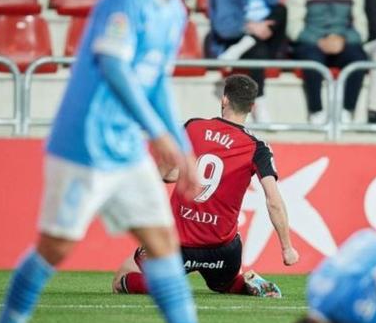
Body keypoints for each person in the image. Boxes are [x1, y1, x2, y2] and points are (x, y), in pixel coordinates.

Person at [0, 0, 255, 323]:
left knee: (164, 243)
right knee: (56, 246)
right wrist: (158, 133)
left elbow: (157, 82)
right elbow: (113, 66)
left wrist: (180, 146)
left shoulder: (175, 12)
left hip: (125, 151)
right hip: (84, 145)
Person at [112, 74, 300, 297]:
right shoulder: (257, 147)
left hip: (178, 245)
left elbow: (165, 171)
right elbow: (274, 200)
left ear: (224, 100)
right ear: (252, 106)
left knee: (121, 279)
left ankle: (167, 286)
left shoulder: (193, 127)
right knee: (225, 285)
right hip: (223, 251)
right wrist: (287, 248)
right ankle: (243, 284)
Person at [207, 0, 286, 123]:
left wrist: (259, 29)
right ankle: (260, 101)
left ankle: (245, 44)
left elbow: (275, 14)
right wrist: (250, 27)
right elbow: (224, 26)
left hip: (264, 37)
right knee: (257, 49)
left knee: (281, 11)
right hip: (237, 37)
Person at [286, 0, 369, 124]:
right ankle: (316, 112)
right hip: (312, 44)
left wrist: (343, 39)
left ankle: (347, 112)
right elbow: (293, 27)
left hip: (343, 42)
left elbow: (362, 29)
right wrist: (319, 41)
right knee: (311, 60)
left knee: (359, 58)